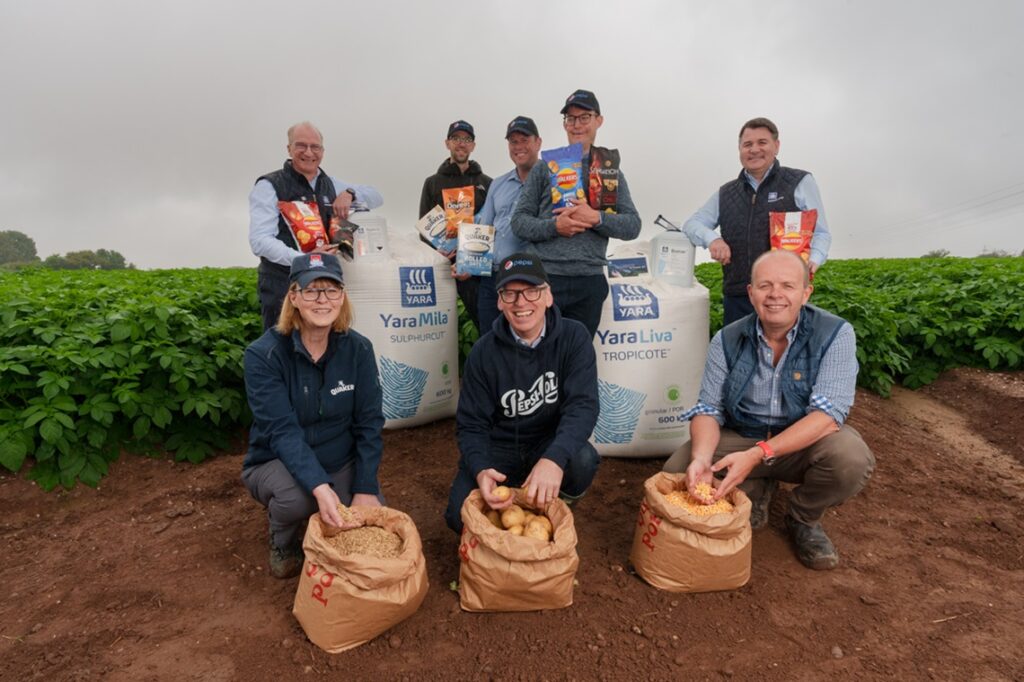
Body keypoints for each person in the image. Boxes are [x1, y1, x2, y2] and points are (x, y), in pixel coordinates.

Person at [663, 250, 874, 570]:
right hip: (744, 434)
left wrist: (759, 454)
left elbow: (828, 416)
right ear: (750, 293)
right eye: (765, 286)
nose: (776, 294)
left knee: (850, 458)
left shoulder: (834, 334)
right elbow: (709, 408)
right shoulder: (727, 338)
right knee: (678, 469)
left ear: (806, 293)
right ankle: (756, 488)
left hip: (801, 440)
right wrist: (703, 459)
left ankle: (803, 518)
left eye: (788, 286)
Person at [241, 252, 385, 578]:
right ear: (293, 296)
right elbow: (282, 432)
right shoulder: (263, 356)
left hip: (339, 458)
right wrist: (320, 487)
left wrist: (365, 486)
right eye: (311, 290)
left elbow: (369, 422)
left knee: (370, 510)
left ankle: (336, 496)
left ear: (342, 296)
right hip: (275, 459)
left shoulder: (358, 349)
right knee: (297, 500)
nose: (323, 300)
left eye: (332, 289)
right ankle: (283, 538)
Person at [444, 253, 600, 534]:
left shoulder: (573, 338)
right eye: (510, 294)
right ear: (499, 301)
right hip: (499, 449)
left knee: (582, 460)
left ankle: (553, 509)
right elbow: (471, 425)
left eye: (531, 291)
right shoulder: (484, 352)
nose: (521, 303)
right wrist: (480, 468)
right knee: (458, 518)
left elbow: (583, 406)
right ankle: (518, 503)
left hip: (546, 442)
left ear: (548, 296)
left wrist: (554, 459)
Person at [511, 89, 641, 338]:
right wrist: (554, 226)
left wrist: (597, 218)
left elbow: (633, 225)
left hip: (589, 281)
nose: (577, 124)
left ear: (598, 121)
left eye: (584, 117)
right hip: (546, 280)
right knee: (539, 356)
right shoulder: (544, 167)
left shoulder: (609, 171)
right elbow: (519, 222)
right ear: (564, 124)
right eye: (571, 119)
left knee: (576, 359)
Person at [682, 117, 832, 326]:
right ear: (740, 149)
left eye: (762, 142)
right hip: (738, 297)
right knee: (740, 355)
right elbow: (692, 224)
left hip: (783, 297)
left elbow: (822, 233)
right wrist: (713, 240)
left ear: (776, 146)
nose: (754, 150)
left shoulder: (799, 181)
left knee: (784, 355)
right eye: (747, 144)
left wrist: (811, 262)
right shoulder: (726, 193)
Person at [249, 121, 383, 330]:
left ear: (323, 151)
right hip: (283, 287)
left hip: (325, 289)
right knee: (283, 351)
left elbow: (376, 196)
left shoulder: (332, 184)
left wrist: (350, 194)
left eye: (315, 147)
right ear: (289, 148)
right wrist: (305, 260)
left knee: (323, 350)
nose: (309, 152)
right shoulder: (269, 185)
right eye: (301, 145)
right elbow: (260, 241)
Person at [419, 120, 493, 332]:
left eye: (467, 139)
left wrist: (473, 261)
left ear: (473, 145)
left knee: (486, 324)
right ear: (447, 143)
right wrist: (439, 254)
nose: (461, 144)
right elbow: (424, 226)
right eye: (456, 139)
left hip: (478, 268)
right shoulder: (432, 183)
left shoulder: (488, 183)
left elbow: (495, 225)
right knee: (441, 329)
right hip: (445, 269)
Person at [475, 115, 542, 333]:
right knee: (490, 341)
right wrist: (468, 261)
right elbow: (484, 230)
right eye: (513, 141)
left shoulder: (552, 180)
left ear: (538, 142)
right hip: (492, 279)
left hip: (529, 280)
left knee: (526, 343)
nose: (519, 146)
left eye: (525, 140)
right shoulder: (497, 184)